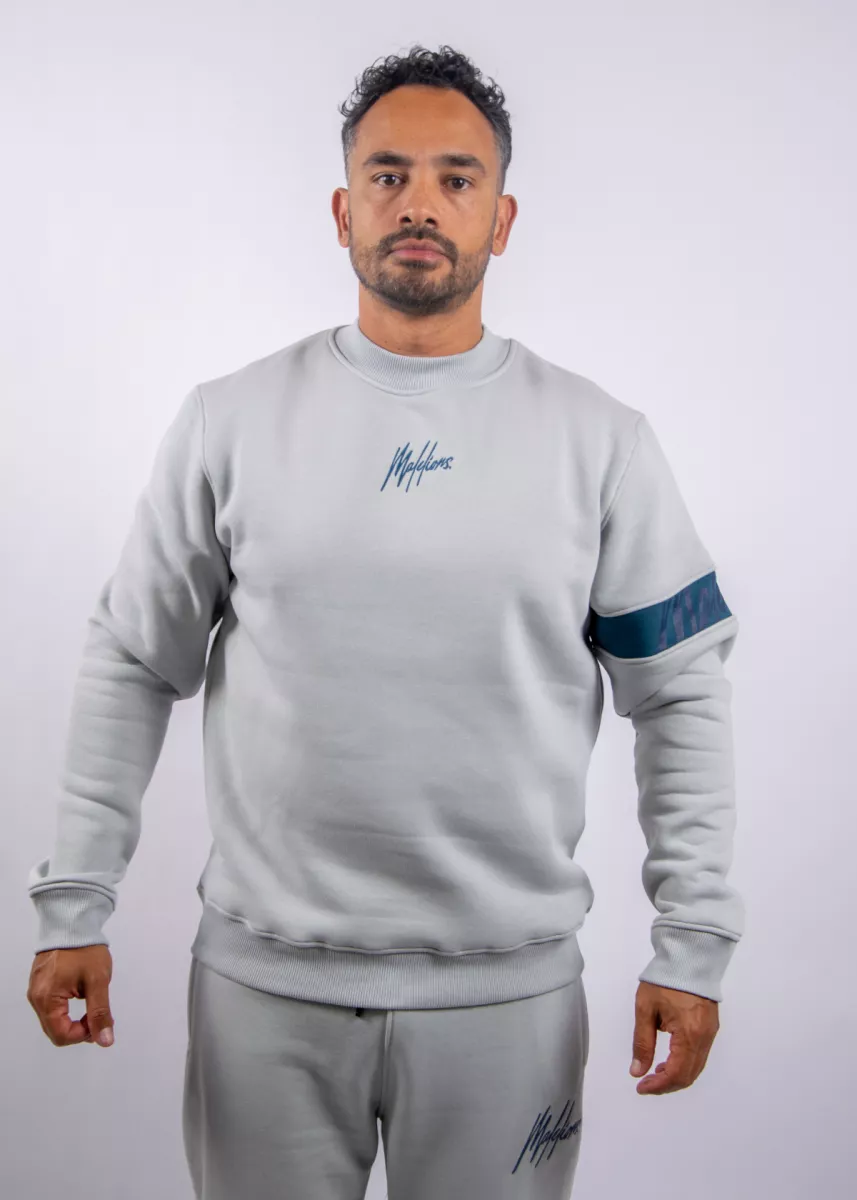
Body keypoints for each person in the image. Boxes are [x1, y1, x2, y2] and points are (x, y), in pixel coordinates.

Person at [25, 42, 744, 1200]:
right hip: (262, 996)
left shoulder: (599, 441)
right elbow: (131, 661)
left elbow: (680, 694)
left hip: (507, 1003)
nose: (419, 203)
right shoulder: (229, 422)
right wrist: (74, 905)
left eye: (456, 179)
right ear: (341, 209)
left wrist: (692, 945)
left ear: (501, 218)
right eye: (388, 174)